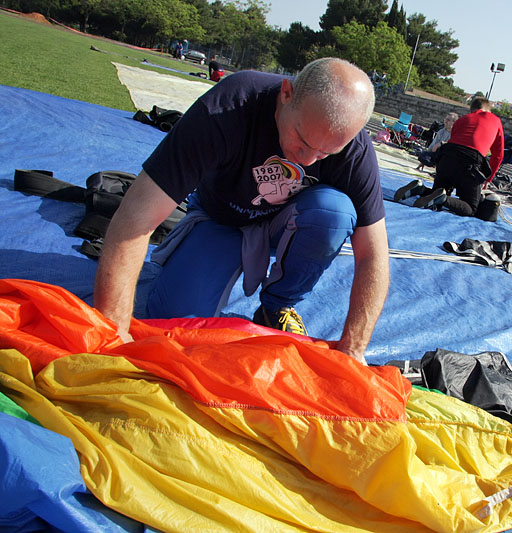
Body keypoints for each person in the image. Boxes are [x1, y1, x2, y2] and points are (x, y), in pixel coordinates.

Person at [93, 58, 389, 364]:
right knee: (174, 328)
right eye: (302, 140)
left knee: (335, 212)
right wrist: (113, 329)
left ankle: (278, 305)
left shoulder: (356, 150)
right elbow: (136, 216)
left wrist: (354, 348)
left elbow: (373, 253)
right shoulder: (228, 108)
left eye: (327, 152)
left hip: (287, 224)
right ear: (286, 94)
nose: (308, 160)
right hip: (221, 219)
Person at [395, 97, 504, 217]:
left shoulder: (462, 119)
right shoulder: (495, 120)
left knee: (438, 192)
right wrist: (487, 179)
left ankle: (420, 189)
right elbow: (498, 155)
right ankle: (443, 198)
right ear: (488, 110)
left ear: (471, 110)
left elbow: (454, 142)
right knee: (470, 208)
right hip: (471, 161)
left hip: (447, 156)